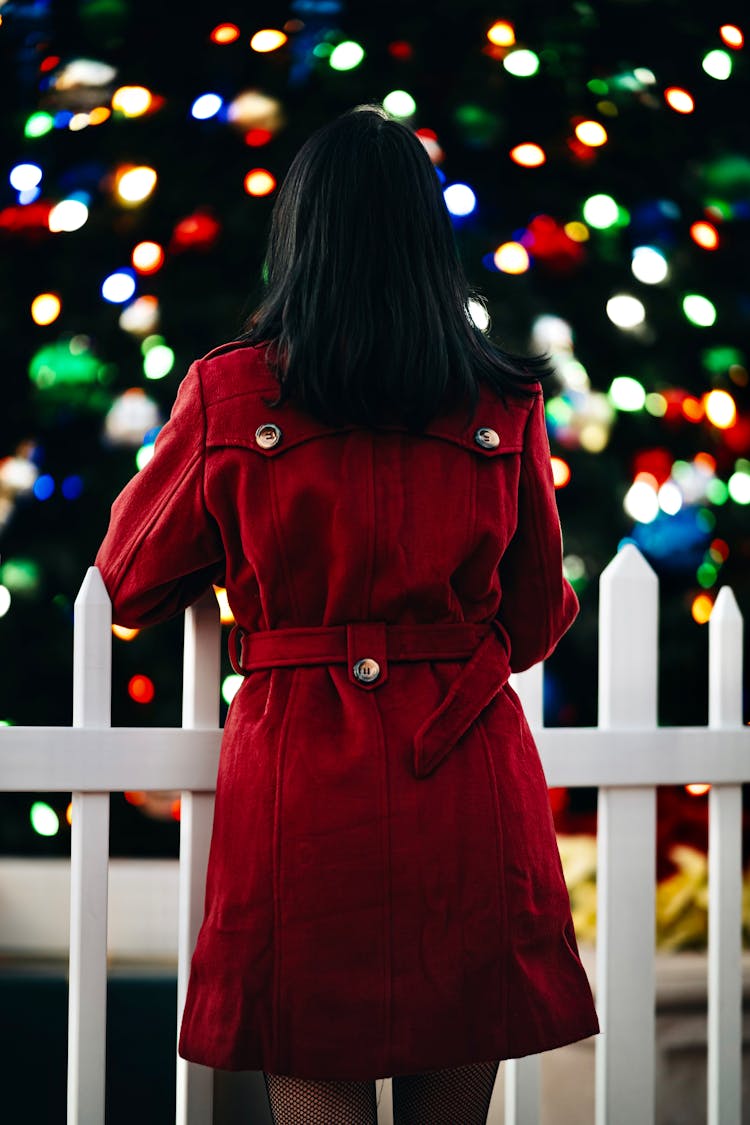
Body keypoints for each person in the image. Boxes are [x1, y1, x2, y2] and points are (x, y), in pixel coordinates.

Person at [94, 103, 600, 1125]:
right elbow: (539, 620)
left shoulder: (230, 395)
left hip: (298, 783)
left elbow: (127, 576)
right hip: (465, 770)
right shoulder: (504, 405)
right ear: (429, 238)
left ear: (301, 236)